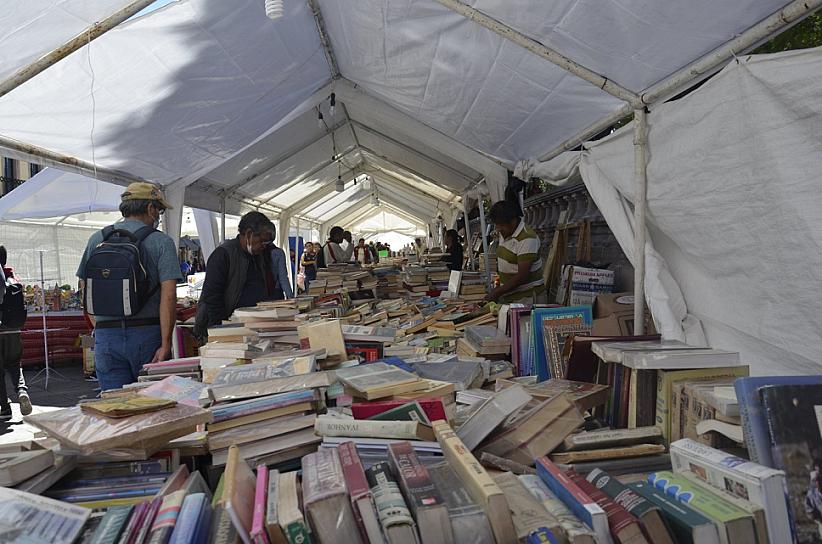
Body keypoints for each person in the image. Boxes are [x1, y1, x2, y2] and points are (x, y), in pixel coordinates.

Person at [77, 183, 182, 391]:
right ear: (151, 209)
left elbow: (84, 291)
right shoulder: (161, 242)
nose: (158, 216)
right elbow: (169, 296)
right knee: (152, 410)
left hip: (106, 337)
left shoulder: (97, 239)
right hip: (147, 335)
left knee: (116, 410)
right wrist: (166, 343)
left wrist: (100, 330)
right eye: (159, 211)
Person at [194, 212, 275, 339]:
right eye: (262, 242)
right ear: (249, 234)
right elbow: (213, 297)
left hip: (252, 328)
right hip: (229, 329)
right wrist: (223, 330)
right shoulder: (223, 255)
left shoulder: (258, 256)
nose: (264, 247)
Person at [484, 200, 546, 304]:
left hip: (527, 298)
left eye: (501, 225)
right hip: (510, 296)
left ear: (513, 221)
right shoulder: (505, 233)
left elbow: (522, 276)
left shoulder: (527, 238)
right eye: (497, 225)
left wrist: (496, 292)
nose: (498, 229)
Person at [0, 246, 30, 419]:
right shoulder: (13, 279)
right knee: (14, 364)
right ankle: (21, 391)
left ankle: (5, 408)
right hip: (13, 330)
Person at [266, 232, 293, 300]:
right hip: (275, 291)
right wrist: (290, 296)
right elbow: (283, 277)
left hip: (260, 292)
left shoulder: (254, 252)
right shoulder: (278, 252)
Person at [807, 471, 822, 539]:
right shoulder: (811, 494)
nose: (817, 482)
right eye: (814, 480)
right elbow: (809, 509)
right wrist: (817, 518)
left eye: (818, 479)